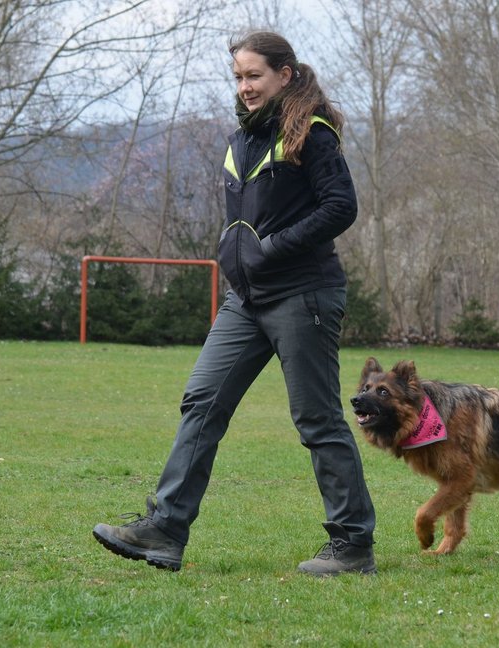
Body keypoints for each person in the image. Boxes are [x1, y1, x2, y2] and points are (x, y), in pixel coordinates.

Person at [92, 31, 377, 576]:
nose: (245, 87)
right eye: (239, 77)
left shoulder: (312, 134)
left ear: (284, 74)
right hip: (245, 300)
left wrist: (271, 248)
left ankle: (352, 545)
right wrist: (236, 255)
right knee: (202, 400)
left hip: (304, 294)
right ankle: (165, 530)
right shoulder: (240, 140)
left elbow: (341, 207)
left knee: (316, 419)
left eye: (254, 75)